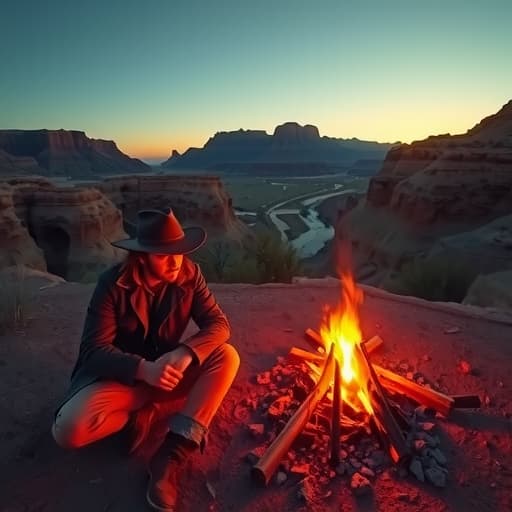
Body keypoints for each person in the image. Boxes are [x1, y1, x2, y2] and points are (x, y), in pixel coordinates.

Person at [51, 207, 240, 511]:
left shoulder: (190, 275)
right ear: (143, 256)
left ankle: (172, 453)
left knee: (226, 356)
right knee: (68, 430)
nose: (175, 261)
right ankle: (142, 408)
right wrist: (142, 370)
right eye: (164, 255)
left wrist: (184, 352)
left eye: (179, 252)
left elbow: (219, 325)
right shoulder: (112, 285)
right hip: (122, 378)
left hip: (167, 372)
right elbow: (93, 350)